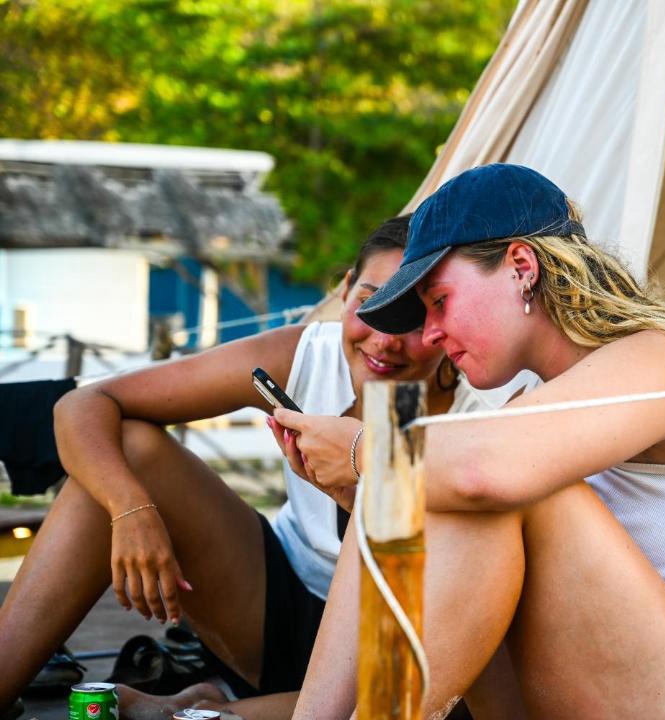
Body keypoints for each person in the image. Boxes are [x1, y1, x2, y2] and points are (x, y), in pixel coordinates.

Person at [271, 164, 665, 720]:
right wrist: (365, 494)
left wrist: (359, 449)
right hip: (627, 682)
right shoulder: (530, 417)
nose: (431, 334)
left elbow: (483, 474)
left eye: (439, 301)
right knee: (423, 477)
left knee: (469, 476)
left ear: (522, 265)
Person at [0, 216, 458, 720]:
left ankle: (202, 712)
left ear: (445, 320)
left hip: (396, 646)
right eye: (372, 303)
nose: (386, 339)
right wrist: (130, 510)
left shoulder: (479, 404)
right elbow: (84, 404)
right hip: (273, 609)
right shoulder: (309, 354)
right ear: (347, 290)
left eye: (411, 319)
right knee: (129, 446)